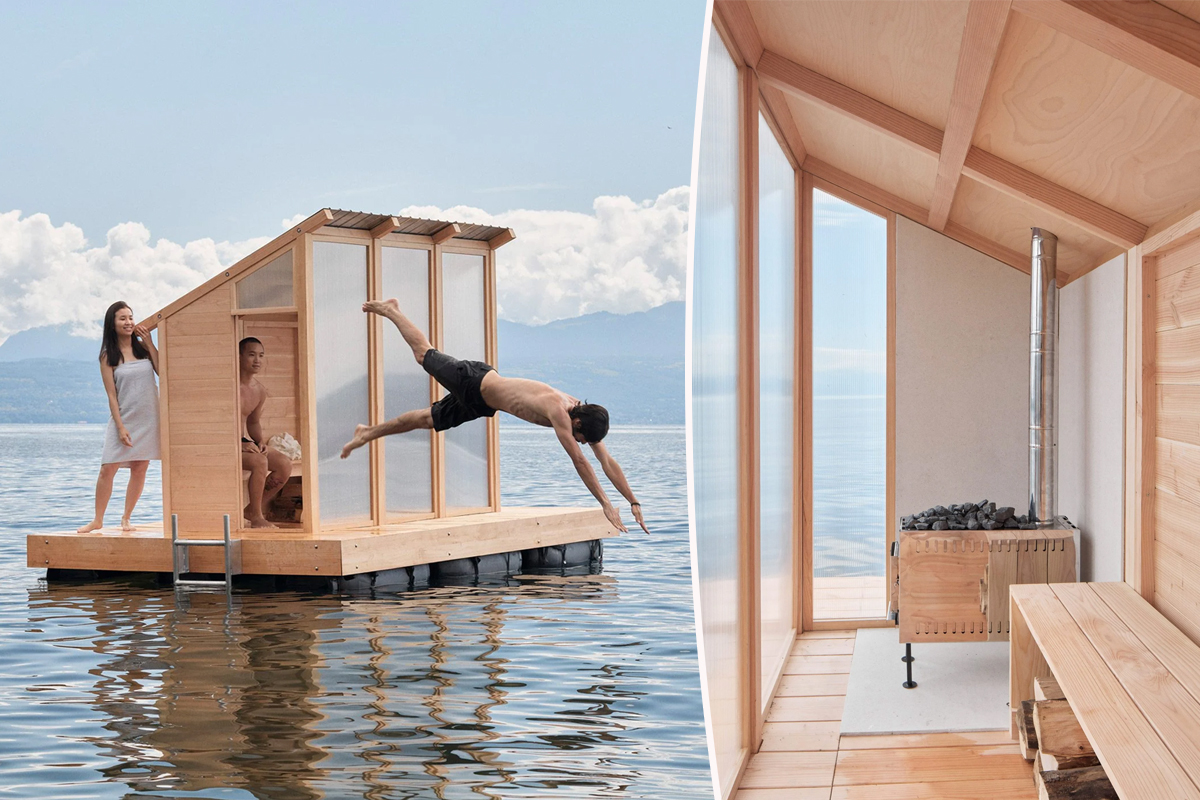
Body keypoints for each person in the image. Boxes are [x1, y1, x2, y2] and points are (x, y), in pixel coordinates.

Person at [340, 299, 648, 534]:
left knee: (427, 420)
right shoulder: (559, 410)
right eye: (582, 438)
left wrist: (632, 501)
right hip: (475, 380)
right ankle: (392, 310)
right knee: (423, 354)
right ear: (577, 424)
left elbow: (606, 462)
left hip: (482, 404)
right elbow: (580, 462)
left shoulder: (582, 416)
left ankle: (367, 432)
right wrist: (605, 504)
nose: (582, 443)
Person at [78, 301, 161, 533]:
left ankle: (126, 518)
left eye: (131, 317)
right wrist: (120, 426)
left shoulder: (144, 350)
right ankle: (98, 519)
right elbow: (112, 396)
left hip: (150, 418)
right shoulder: (108, 356)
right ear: (112, 324)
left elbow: (163, 371)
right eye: (122, 318)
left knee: (140, 467)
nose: (129, 322)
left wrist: (150, 344)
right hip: (124, 417)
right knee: (107, 468)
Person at [238, 337, 293, 528]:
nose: (257, 360)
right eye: (251, 355)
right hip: (224, 443)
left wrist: (259, 441)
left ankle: (254, 508)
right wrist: (239, 444)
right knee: (260, 461)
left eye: (261, 355)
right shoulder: (228, 387)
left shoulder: (259, 390)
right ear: (239, 356)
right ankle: (256, 518)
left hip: (245, 441)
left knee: (284, 464)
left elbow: (253, 421)